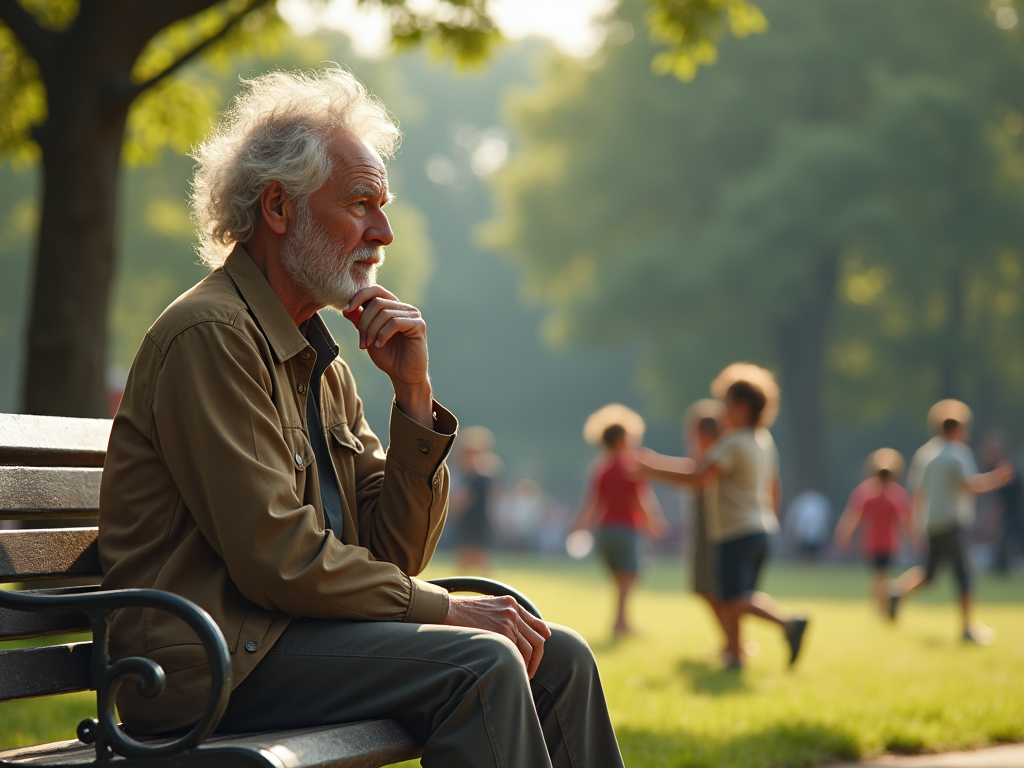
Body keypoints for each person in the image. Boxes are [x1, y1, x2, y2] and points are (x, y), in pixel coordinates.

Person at [97, 68, 623, 768]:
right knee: (483, 664)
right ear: (279, 208)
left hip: (289, 639)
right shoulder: (211, 335)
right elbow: (276, 560)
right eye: (361, 203)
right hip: (209, 664)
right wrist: (445, 611)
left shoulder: (324, 359)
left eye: (385, 205)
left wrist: (413, 396)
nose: (385, 231)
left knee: (563, 659)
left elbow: (392, 555)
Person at [638, 363, 809, 670]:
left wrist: (650, 467)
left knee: (733, 597)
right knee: (736, 596)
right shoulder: (763, 441)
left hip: (735, 532)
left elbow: (696, 475)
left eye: (726, 405)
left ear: (742, 408)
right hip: (761, 529)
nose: (720, 413)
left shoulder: (732, 443)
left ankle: (788, 622)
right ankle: (734, 654)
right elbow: (773, 486)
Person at [889, 416, 1014, 643]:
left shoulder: (925, 454)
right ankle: (967, 628)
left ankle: (898, 591)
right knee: (965, 576)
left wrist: (916, 524)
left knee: (929, 573)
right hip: (953, 523)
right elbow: (969, 486)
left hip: (932, 523)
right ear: (956, 428)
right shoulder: (958, 453)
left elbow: (917, 492)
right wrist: (998, 479)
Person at [573, 404, 666, 640]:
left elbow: (592, 502)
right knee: (630, 576)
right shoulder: (631, 467)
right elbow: (640, 499)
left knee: (621, 579)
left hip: (605, 531)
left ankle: (622, 622)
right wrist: (654, 522)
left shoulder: (601, 468)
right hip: (627, 530)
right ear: (623, 439)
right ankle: (620, 623)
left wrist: (579, 525)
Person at [834, 448, 912, 615]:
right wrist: (913, 538)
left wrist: (844, 535)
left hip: (874, 542)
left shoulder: (867, 492)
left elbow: (852, 516)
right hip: (887, 542)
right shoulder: (895, 494)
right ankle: (884, 605)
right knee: (882, 575)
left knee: (880, 575)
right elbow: (906, 521)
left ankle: (881, 606)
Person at [683, 400, 727, 640]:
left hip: (713, 532)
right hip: (704, 531)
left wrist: (651, 466)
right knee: (707, 589)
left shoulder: (714, 459)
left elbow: (693, 477)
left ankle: (733, 643)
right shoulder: (706, 457)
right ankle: (730, 642)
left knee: (716, 590)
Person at [449, 425, 502, 572]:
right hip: (467, 522)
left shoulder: (483, 476)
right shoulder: (464, 476)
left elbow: (493, 497)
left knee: (481, 560)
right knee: (465, 560)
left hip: (480, 521)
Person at [980, 432, 1023, 575]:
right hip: (1012, 516)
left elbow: (999, 503)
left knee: (1004, 549)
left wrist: (992, 523)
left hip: (1012, 516)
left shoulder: (1003, 470)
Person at [787, 487, 832, 560]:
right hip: (803, 532)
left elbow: (827, 518)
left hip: (817, 532)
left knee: (815, 553)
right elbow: (793, 518)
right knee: (805, 553)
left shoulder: (820, 501)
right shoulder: (800, 501)